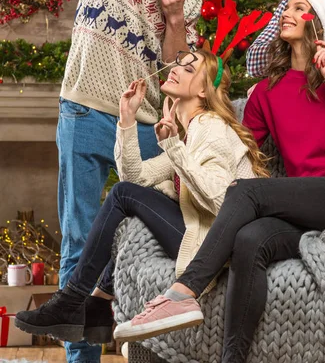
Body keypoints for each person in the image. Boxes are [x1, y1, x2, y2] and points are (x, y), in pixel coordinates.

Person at [40, 0, 237, 362]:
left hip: (148, 128)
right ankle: (82, 360)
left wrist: (175, 17)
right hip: (84, 108)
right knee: (79, 240)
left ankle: (141, 348)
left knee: (138, 242)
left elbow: (179, 72)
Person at [119, 0, 325, 363]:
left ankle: (183, 292)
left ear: (320, 24)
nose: (287, 12)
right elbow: (238, 148)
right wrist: (185, 139)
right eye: (287, 6)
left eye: (300, 8)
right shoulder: (267, 92)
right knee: (250, 238)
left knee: (248, 193)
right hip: (308, 206)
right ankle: (234, 358)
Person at [15, 49, 268, 346]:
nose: (176, 68)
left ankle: (71, 302)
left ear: (203, 90)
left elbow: (222, 201)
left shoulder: (210, 127)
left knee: (123, 197)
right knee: (129, 200)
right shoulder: (189, 133)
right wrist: (127, 120)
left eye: (189, 68)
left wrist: (173, 147)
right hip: (204, 231)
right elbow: (135, 180)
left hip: (221, 246)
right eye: (179, 62)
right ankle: (96, 306)